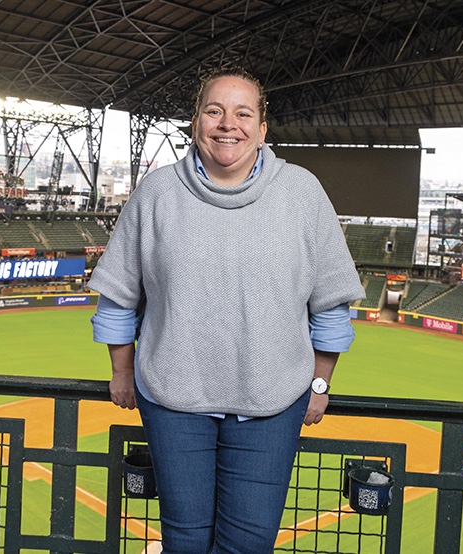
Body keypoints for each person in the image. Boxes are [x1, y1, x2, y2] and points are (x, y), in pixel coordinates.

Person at [89, 67, 364, 552]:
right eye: (214, 111)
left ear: (262, 129)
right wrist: (121, 370)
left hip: (272, 405)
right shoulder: (156, 193)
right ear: (196, 122)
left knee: (249, 544)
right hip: (174, 401)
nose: (226, 124)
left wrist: (319, 385)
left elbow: (330, 308)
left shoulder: (302, 192)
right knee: (186, 540)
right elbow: (118, 296)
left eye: (243, 113)